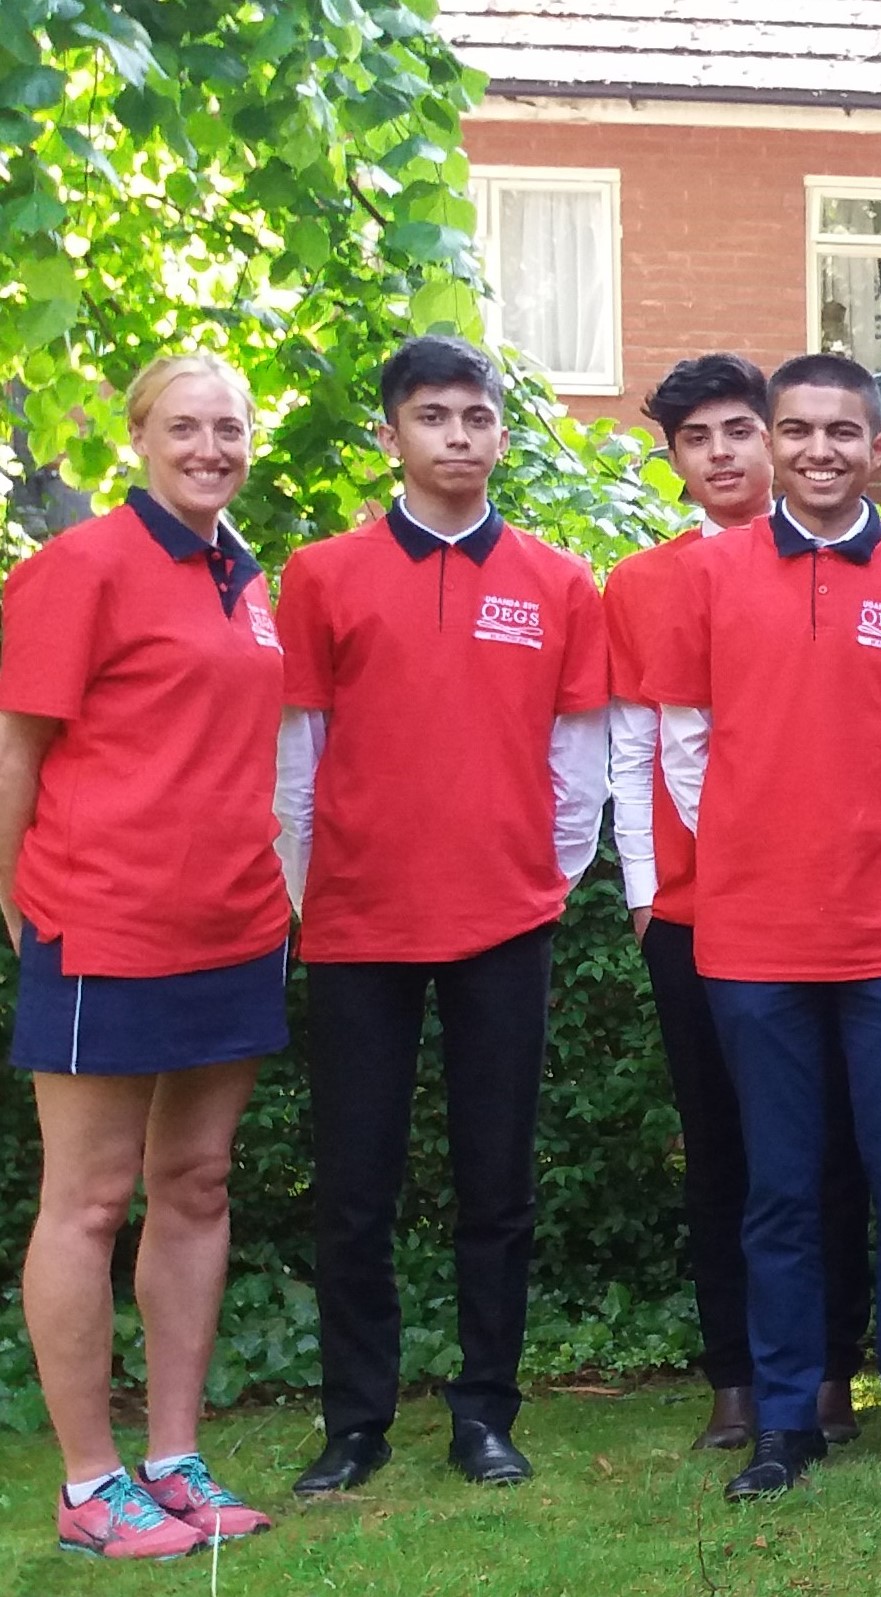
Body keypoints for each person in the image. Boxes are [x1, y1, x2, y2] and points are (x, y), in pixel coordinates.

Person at [639, 353, 881, 1499]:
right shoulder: (711, 574)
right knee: (779, 1188)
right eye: (797, 430)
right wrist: (760, 848)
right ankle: (786, 1418)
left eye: (843, 431)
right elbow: (687, 742)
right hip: (752, 935)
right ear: (771, 442)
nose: (819, 450)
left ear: (878, 447)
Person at [276, 336, 609, 1496]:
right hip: (357, 924)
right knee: (354, 1187)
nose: (457, 436)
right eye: (432, 416)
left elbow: (579, 765)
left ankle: (485, 1414)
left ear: (502, 435)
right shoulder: (322, 575)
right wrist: (313, 892)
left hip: (505, 923)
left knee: (496, 1186)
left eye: (475, 416)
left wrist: (540, 884)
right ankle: (355, 1424)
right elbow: (296, 758)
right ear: (391, 435)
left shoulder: (560, 582)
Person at [4, 354, 285, 1559]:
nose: (210, 447)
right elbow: (15, 750)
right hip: (103, 922)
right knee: (89, 1200)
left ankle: (172, 1460)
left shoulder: (244, 575)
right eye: (185, 426)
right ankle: (88, 1483)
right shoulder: (79, 567)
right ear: (139, 438)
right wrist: (20, 907)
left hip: (234, 921)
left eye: (228, 427)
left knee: (197, 1183)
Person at [611, 353, 877, 1453]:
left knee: (836, 1143)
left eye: (739, 431)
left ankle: (830, 1368)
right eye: (696, 439)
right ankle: (735, 1373)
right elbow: (634, 746)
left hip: (834, 906)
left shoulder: (847, 560)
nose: (721, 454)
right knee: (723, 1143)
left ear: (774, 439)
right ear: (673, 460)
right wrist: (644, 891)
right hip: (694, 909)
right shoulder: (643, 583)